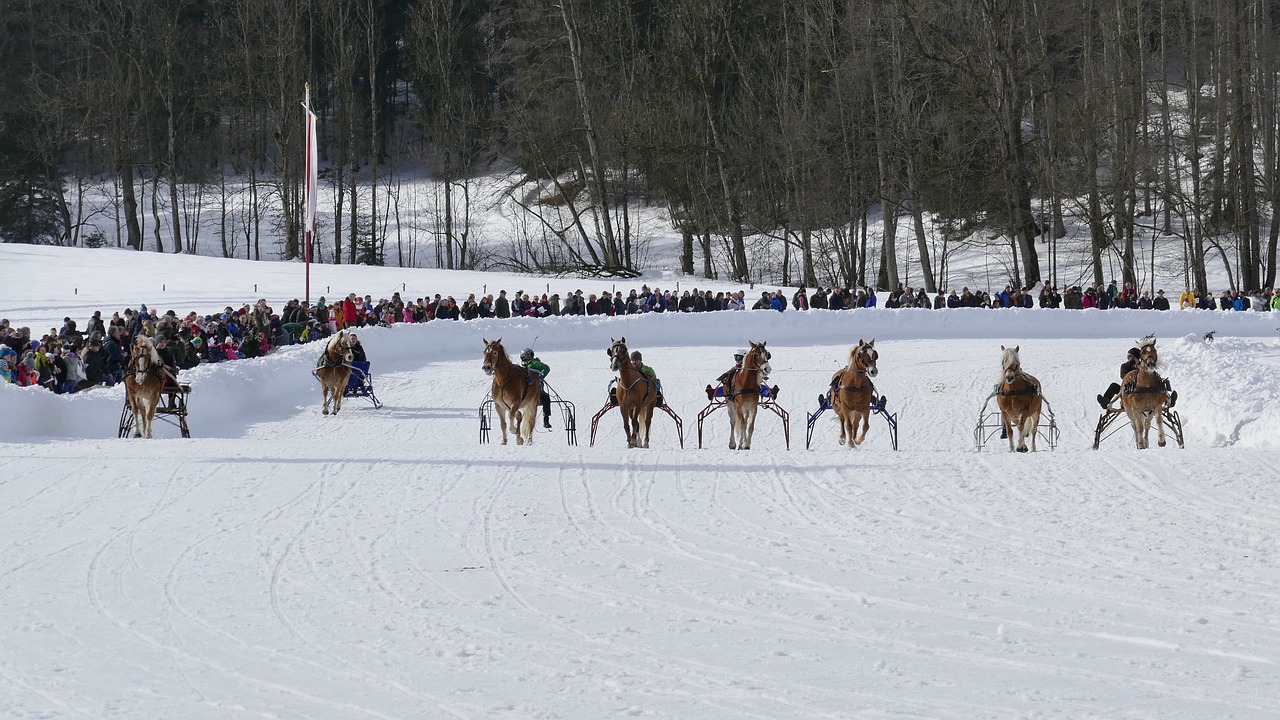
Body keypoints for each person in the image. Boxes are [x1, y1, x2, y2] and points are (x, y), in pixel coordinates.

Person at [1098, 346, 1177, 409]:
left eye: (1131, 357)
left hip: (1145, 388)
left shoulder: (1144, 366)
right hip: (1129, 388)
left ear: (1137, 358)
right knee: (1114, 386)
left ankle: (1169, 398)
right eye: (1128, 357)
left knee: (1162, 382)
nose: (1129, 359)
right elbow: (1123, 376)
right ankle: (1105, 401)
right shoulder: (1125, 366)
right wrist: (1134, 370)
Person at [705, 349, 777, 402]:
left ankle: (770, 393)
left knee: (760, 387)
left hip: (751, 388)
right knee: (726, 387)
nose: (737, 360)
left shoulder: (750, 369)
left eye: (739, 358)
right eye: (736, 357)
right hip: (736, 388)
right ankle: (713, 393)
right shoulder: (735, 368)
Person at [520, 347, 553, 428]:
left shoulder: (534, 363)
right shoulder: (523, 366)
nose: (522, 359)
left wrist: (541, 375)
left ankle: (546, 418)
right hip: (524, 388)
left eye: (523, 357)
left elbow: (546, 368)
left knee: (545, 397)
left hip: (537, 388)